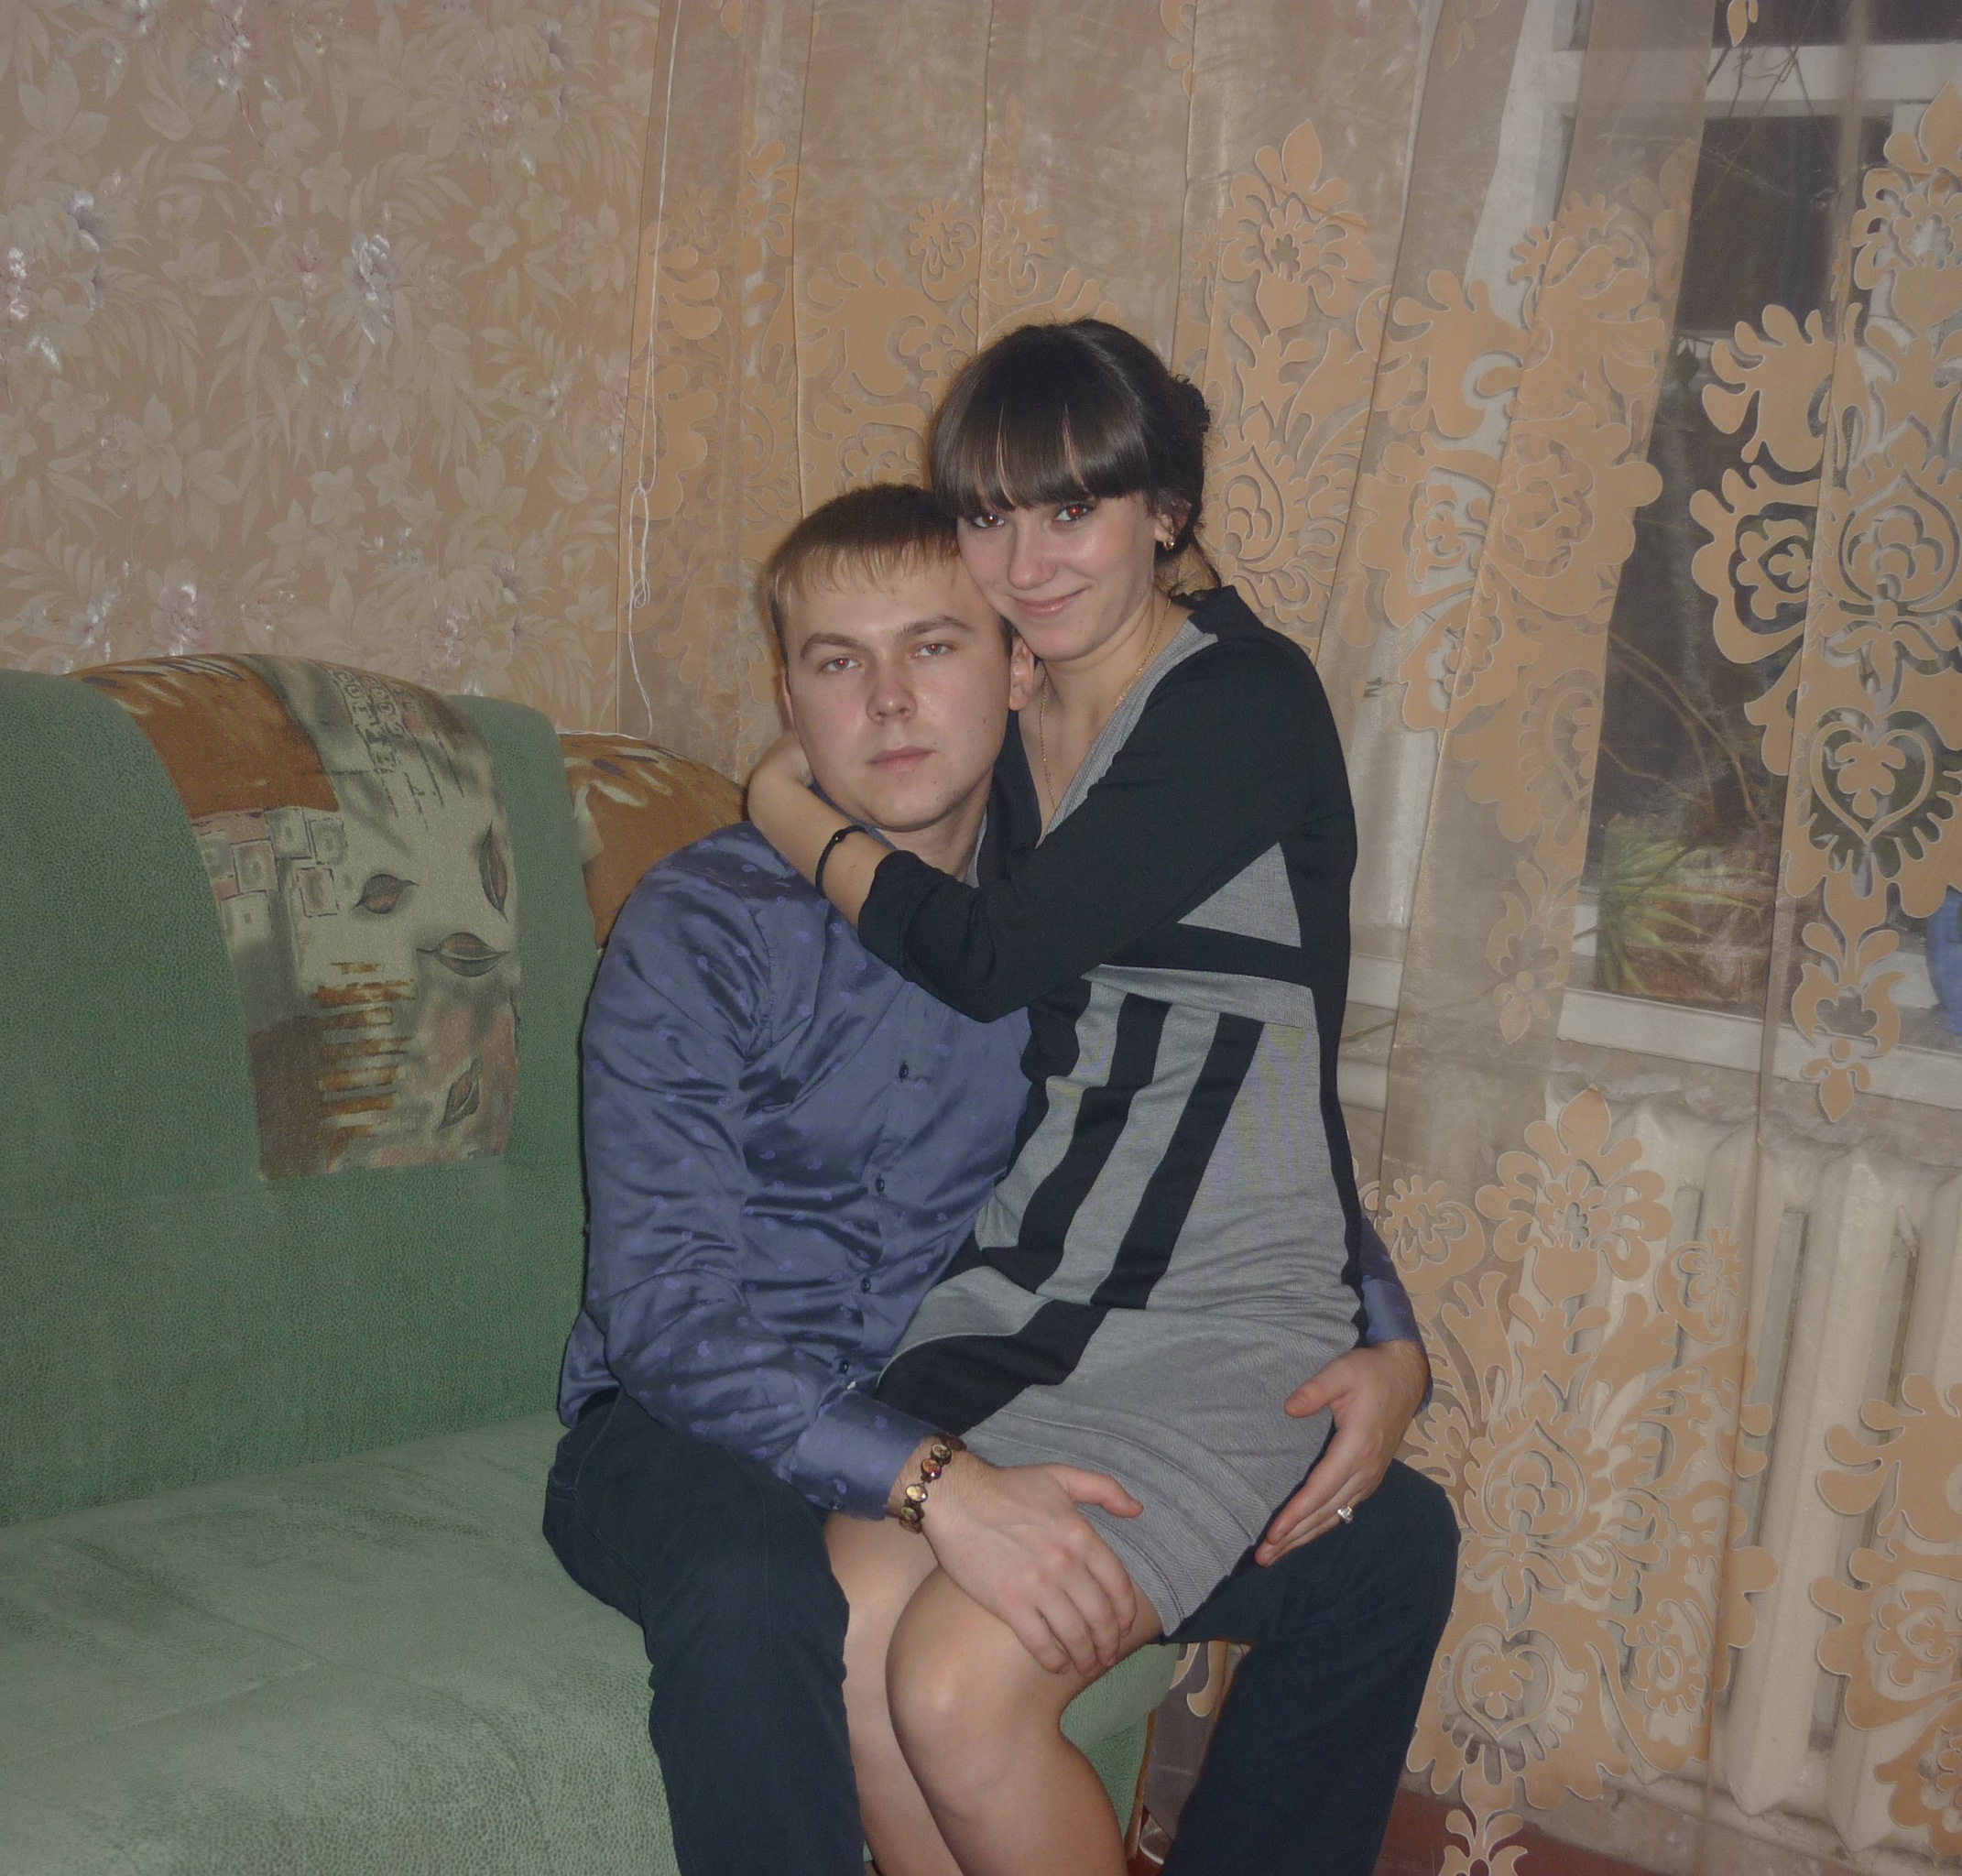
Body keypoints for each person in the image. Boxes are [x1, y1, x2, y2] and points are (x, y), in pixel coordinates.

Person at [546, 482, 1449, 1876]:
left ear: (1018, 669)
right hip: (695, 1423)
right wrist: (936, 1486)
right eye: (837, 662)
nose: (888, 703)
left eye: (934, 646)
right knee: (756, 1586)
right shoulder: (700, 926)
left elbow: (1221, 1119)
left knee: (1389, 1536)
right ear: (787, 696)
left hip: (994, 1379)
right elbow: (665, 1319)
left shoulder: (1075, 913)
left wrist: (1385, 1337)